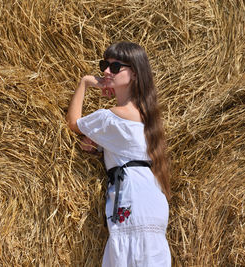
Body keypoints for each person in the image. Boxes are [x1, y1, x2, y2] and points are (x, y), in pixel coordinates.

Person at [66, 41, 171, 266]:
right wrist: (100, 146)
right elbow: (127, 148)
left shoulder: (111, 116)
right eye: (104, 64)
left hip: (131, 199)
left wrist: (84, 83)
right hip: (153, 200)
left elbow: (73, 122)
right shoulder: (147, 115)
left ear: (133, 73)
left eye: (115, 67)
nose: (105, 71)